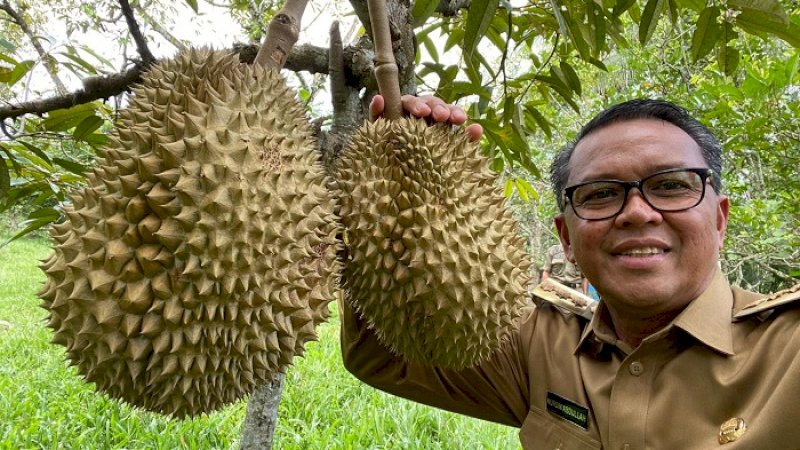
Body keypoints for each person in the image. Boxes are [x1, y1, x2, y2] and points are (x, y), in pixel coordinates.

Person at [342, 95, 800, 448]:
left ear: (719, 219)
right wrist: (385, 200)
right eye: (600, 193)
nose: (637, 213)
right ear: (566, 237)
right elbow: (386, 354)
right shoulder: (538, 344)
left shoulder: (788, 351)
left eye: (671, 186)